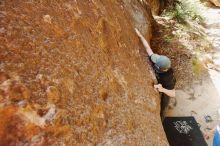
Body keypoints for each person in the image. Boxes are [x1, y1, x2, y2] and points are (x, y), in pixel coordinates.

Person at [135, 28, 176, 120]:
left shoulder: (167, 77)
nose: (154, 59)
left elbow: (173, 93)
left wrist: (162, 89)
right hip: (164, 82)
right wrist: (140, 36)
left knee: (164, 103)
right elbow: (148, 49)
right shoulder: (161, 63)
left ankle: (162, 118)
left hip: (167, 87)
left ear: (159, 68)